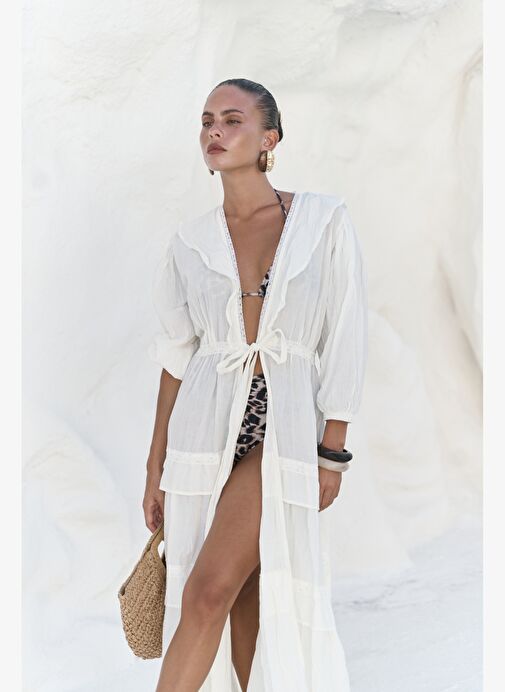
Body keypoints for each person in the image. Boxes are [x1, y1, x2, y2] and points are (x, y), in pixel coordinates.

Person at [143, 78, 368, 691]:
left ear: (269, 139)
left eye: (232, 120)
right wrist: (155, 466)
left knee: (207, 591)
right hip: (204, 422)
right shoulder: (190, 240)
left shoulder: (322, 220)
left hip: (283, 423)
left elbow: (346, 333)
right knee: (243, 601)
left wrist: (333, 451)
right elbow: (176, 358)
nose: (214, 131)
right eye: (206, 120)